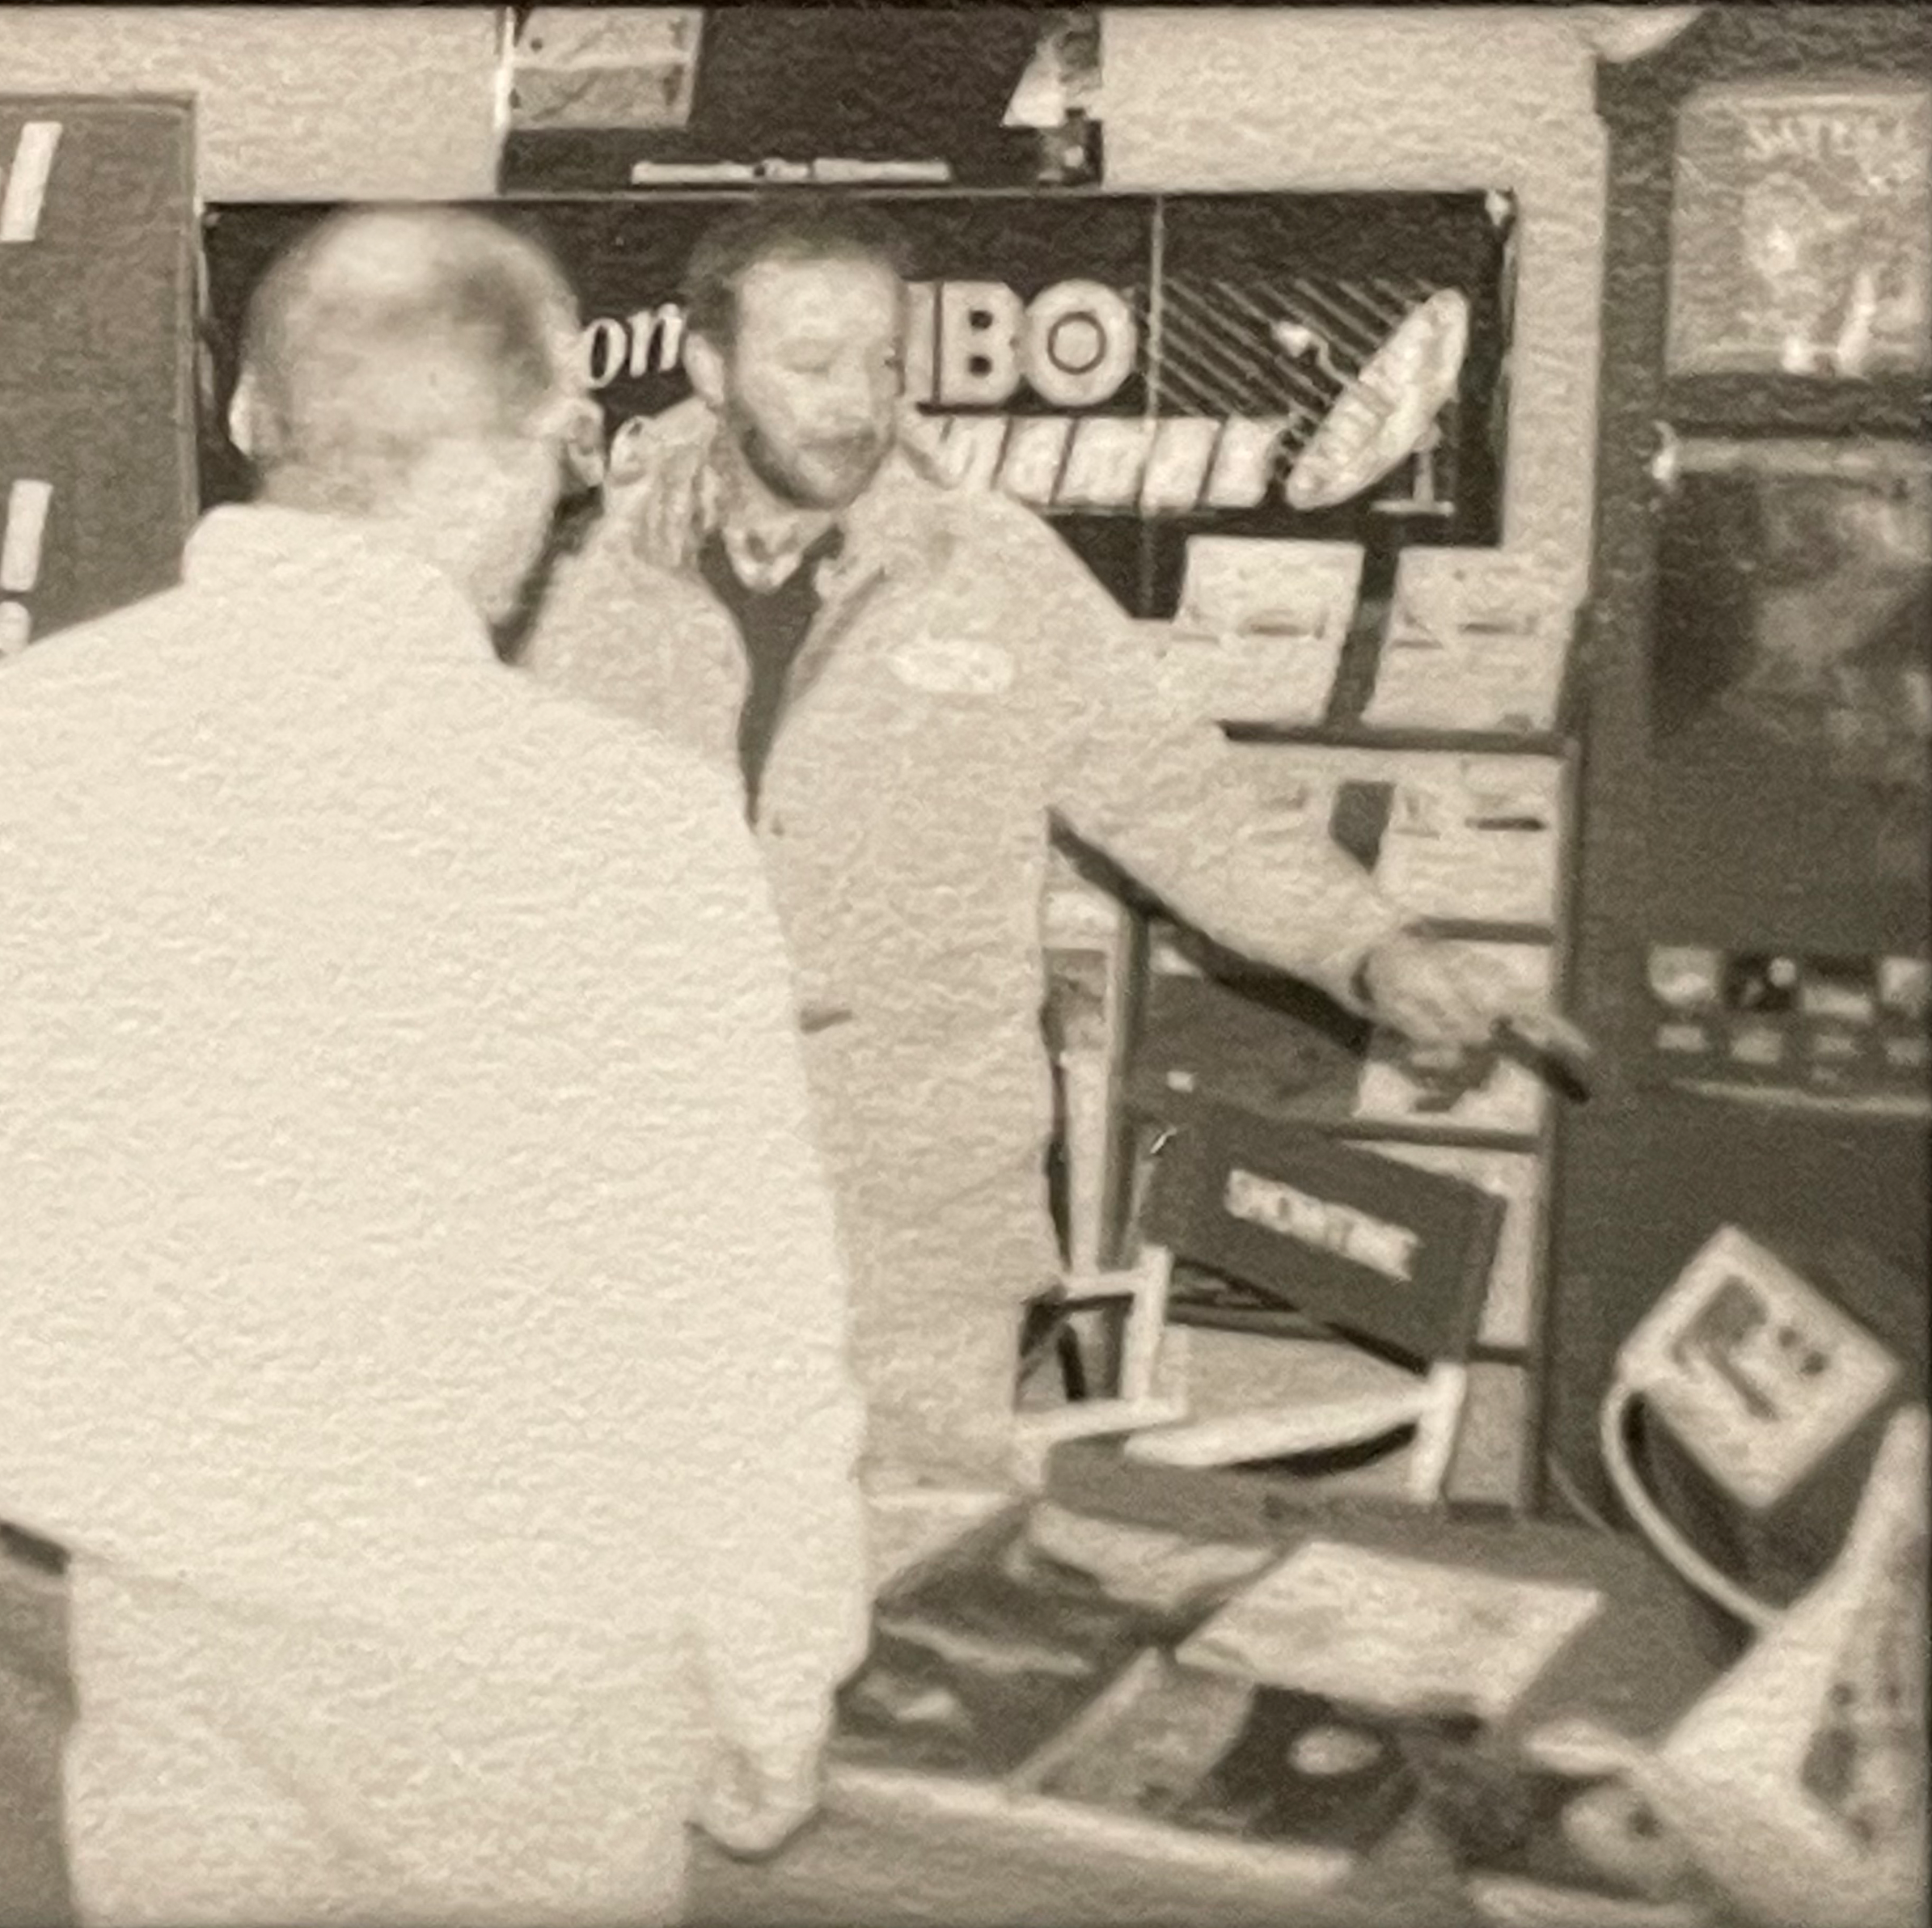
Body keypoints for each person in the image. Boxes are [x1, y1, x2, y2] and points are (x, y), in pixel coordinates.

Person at [0, 205, 871, 1928]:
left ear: (263, 425)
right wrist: (783, 1666)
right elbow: (737, 1313)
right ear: (517, 464)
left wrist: (41, 1387)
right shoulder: (616, 821)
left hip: (167, 1620)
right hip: (533, 1663)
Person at [521, 194, 1573, 1490]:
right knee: (663, 1608)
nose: (859, 402)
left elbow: (1186, 803)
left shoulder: (998, 572)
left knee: (906, 1602)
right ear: (709, 366)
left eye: (885, 362)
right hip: (641, 1217)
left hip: (915, 1236)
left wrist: (1370, 946)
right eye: (811, 364)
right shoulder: (578, 588)